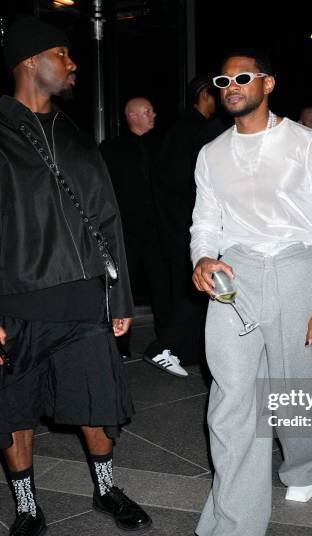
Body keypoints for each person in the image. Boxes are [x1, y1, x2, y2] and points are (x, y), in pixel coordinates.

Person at [182, 49, 312, 536]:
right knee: (232, 398)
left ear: (268, 83)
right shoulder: (211, 153)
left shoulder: (308, 143)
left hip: (299, 267)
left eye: (242, 77)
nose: (230, 85)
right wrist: (202, 257)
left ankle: (305, 465)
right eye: (222, 80)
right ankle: (231, 528)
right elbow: (204, 222)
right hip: (235, 275)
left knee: (296, 377)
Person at [0, 17, 151, 536]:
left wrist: (120, 300)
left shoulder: (74, 135)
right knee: (12, 411)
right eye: (62, 53)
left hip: (86, 297)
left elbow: (108, 221)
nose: (72, 63)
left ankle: (105, 488)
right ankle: (26, 508)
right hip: (17, 301)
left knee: (97, 401)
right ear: (28, 60)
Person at [100, 98, 185, 375]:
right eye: (148, 111)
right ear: (132, 115)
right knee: (120, 287)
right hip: (124, 232)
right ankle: (117, 345)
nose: (154, 114)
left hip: (157, 231)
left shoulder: (162, 147)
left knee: (163, 287)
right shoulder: (111, 149)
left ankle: (166, 343)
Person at [151, 75, 223, 369]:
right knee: (199, 290)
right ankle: (166, 347)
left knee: (191, 290)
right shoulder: (200, 131)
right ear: (204, 95)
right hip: (193, 224)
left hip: (177, 224)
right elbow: (188, 183)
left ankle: (181, 350)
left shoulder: (180, 129)